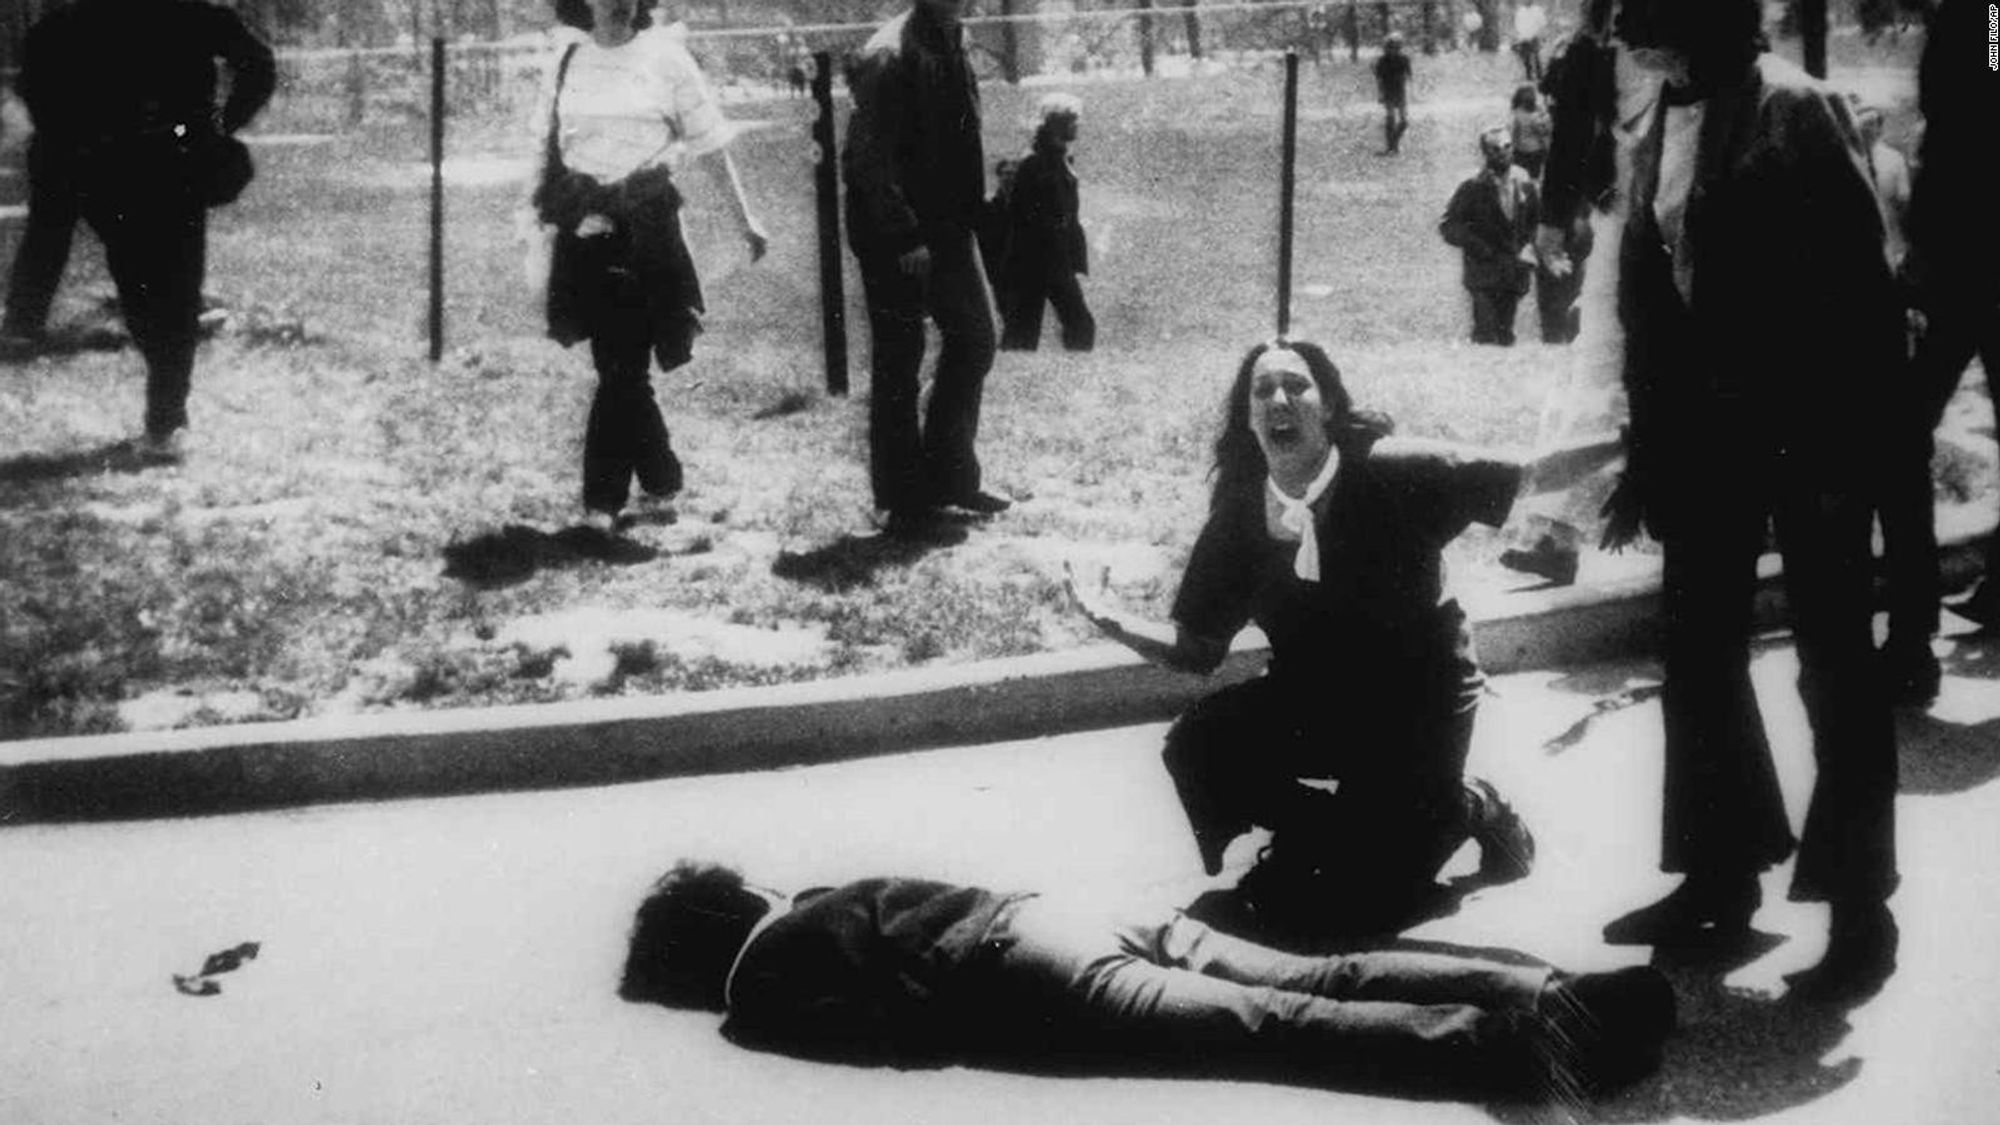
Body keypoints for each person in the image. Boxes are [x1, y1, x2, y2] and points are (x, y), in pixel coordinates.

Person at [1594, 0, 1903, 1004]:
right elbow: (1647, 303)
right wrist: (1644, 457)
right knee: (1695, 656)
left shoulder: (1797, 108)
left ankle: (1860, 907)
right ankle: (1718, 878)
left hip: (1809, 438)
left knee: (1832, 670)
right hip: (1702, 447)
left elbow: (1862, 287)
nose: (1627, 32)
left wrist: (1851, 449)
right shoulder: (1653, 128)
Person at [1067, 341, 1549, 943]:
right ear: (1247, 420)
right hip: (1315, 695)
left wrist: (1643, 449)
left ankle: (1471, 805)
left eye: (1296, 385)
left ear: (1328, 406)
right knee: (1198, 746)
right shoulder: (1241, 517)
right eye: (1262, 391)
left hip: (1417, 702)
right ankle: (1332, 836)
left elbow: (1528, 473)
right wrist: (1116, 624)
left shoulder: (1391, 470)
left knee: (1369, 909)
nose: (1278, 400)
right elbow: (1197, 648)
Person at [619, 859, 1679, 1101]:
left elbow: (880, 1033)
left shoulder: (751, 995)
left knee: (1270, 1027)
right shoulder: (820, 892)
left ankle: (1549, 1047)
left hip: (1021, 976)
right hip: (1060, 913)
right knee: (1320, 972)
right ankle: (1547, 992)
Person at [531, 0, 768, 534]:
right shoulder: (567, 61)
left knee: (623, 365)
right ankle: (661, 477)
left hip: (649, 231)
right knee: (619, 367)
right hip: (588, 232)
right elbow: (551, 152)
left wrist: (745, 218)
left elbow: (709, 143)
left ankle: (602, 502)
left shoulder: (666, 58)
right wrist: (566, 215)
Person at [9, 0, 274, 459]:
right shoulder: (75, 22)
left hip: (169, 162)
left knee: (164, 294)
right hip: (126, 166)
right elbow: (37, 88)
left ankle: (167, 420)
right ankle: (166, 417)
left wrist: (216, 125)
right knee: (154, 294)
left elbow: (256, 64)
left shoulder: (182, 14)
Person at [843, 0, 1010, 538]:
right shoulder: (889, 55)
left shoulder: (951, 38)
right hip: (896, 227)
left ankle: (950, 477)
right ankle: (901, 499)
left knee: (975, 338)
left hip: (945, 223)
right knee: (900, 357)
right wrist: (903, 233)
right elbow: (868, 159)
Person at [1880, 0, 2000, 697]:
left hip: (1968, 262)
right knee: (1900, 436)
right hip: (1964, 259)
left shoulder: (1989, 20)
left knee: (1898, 437)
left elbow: (1980, 115)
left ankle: (1911, 633)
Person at [998, 94, 1094, 353]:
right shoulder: (1035, 163)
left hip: (1050, 257)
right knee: (1030, 330)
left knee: (1027, 330)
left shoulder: (1057, 159)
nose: (1077, 126)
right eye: (1072, 121)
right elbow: (1021, 214)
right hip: (1038, 259)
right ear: (1056, 124)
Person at [1439, 127, 1539, 346]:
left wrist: (1530, 248)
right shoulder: (1473, 186)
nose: (1502, 153)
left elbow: (1535, 221)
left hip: (1513, 272)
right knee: (1485, 333)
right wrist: (1476, 245)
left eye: (1507, 146)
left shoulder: (1523, 181)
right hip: (1483, 273)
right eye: (1495, 149)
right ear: (1485, 153)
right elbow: (1449, 225)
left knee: (1505, 335)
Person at [1373, 32, 1412, 155]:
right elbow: (1379, 79)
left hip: (1400, 91)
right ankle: (1391, 147)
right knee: (1390, 117)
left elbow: (1409, 76)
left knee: (1404, 121)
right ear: (1386, 48)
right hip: (1388, 91)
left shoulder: (1404, 59)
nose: (1392, 50)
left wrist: (1412, 91)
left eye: (1396, 47)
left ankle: (1393, 143)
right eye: (1390, 47)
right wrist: (1380, 94)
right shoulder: (1382, 61)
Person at [1508, 84, 1551, 179]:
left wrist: (1513, 146)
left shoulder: (1517, 113)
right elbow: (1543, 134)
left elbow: (1514, 133)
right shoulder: (1536, 117)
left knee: (1519, 176)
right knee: (1534, 176)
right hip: (1535, 150)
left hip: (1520, 150)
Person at [1512, 1, 1548, 83]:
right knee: (1526, 57)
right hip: (1524, 37)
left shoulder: (1537, 10)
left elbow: (1542, 23)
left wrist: (1539, 34)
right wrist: (1519, 36)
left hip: (1534, 36)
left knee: (1535, 56)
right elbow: (1517, 24)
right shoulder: (1520, 11)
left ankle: (1539, 75)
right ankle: (1529, 75)